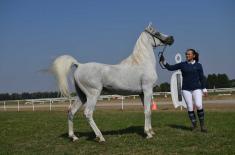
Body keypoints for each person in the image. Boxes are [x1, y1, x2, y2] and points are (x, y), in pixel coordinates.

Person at [160, 49, 208, 132]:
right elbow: (171, 68)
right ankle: (194, 126)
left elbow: (202, 78)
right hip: (186, 89)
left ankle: (202, 126)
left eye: (189, 54)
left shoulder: (199, 65)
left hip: (196, 88)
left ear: (194, 56)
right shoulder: (182, 65)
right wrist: (164, 61)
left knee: (199, 105)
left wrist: (204, 88)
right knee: (190, 107)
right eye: (186, 54)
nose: (187, 55)